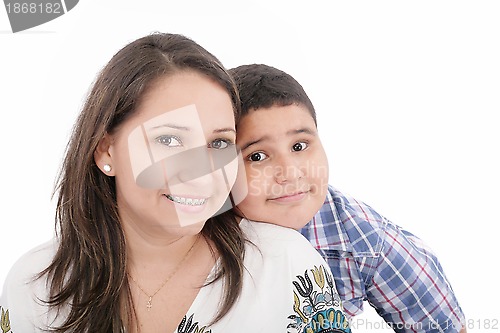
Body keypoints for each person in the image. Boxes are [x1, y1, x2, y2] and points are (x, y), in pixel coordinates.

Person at [0, 33, 351, 333]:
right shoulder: (36, 284)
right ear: (106, 150)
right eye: (169, 140)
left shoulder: (284, 265)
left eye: (218, 144)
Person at [229, 63, 467, 333]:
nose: (290, 173)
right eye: (257, 156)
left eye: (299, 146)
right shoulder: (195, 227)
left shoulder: (363, 239)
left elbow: (441, 325)